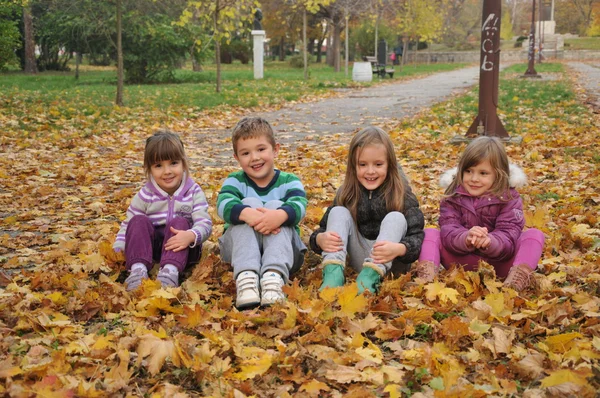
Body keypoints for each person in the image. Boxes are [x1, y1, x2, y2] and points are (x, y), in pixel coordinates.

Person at [413, 136, 545, 291]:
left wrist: (490, 241)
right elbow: (449, 230)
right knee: (430, 233)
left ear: (498, 174)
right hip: (460, 263)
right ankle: (427, 281)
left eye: (483, 173)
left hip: (499, 266)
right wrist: (466, 238)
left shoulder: (508, 198)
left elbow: (509, 234)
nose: (474, 179)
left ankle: (516, 282)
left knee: (534, 235)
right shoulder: (453, 196)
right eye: (468, 171)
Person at [309, 127, 424, 293]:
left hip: (391, 263)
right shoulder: (347, 192)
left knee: (396, 218)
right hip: (359, 258)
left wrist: (400, 249)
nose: (370, 171)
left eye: (378, 164)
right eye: (362, 164)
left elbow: (418, 237)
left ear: (390, 164)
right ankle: (333, 276)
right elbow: (322, 230)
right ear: (353, 166)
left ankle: (370, 279)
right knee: (338, 212)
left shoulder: (401, 193)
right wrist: (320, 239)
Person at [217, 117, 307, 310]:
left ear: (275, 149)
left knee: (276, 205)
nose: (255, 158)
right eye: (246, 153)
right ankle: (246, 278)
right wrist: (248, 214)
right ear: (236, 158)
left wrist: (278, 216)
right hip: (239, 252)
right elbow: (222, 205)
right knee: (248, 203)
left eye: (261, 149)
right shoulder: (235, 181)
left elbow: (300, 206)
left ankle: (273, 278)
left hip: (285, 253)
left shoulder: (289, 181)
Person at [114, 129, 212, 291]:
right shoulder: (145, 195)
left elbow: (205, 223)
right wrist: (119, 249)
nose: (167, 171)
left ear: (183, 163)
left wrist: (191, 235)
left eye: (173, 163)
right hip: (150, 249)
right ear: (149, 169)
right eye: (159, 166)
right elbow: (128, 226)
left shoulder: (193, 191)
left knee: (180, 221)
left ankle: (170, 272)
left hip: (183, 250)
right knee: (138, 221)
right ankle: (138, 270)